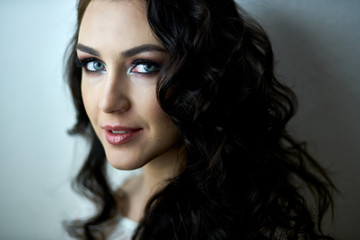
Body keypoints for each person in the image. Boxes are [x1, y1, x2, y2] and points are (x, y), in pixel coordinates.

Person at [64, 0, 336, 239]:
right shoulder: (100, 204)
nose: (108, 102)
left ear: (204, 76)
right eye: (93, 64)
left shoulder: (256, 228)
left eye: (145, 66)